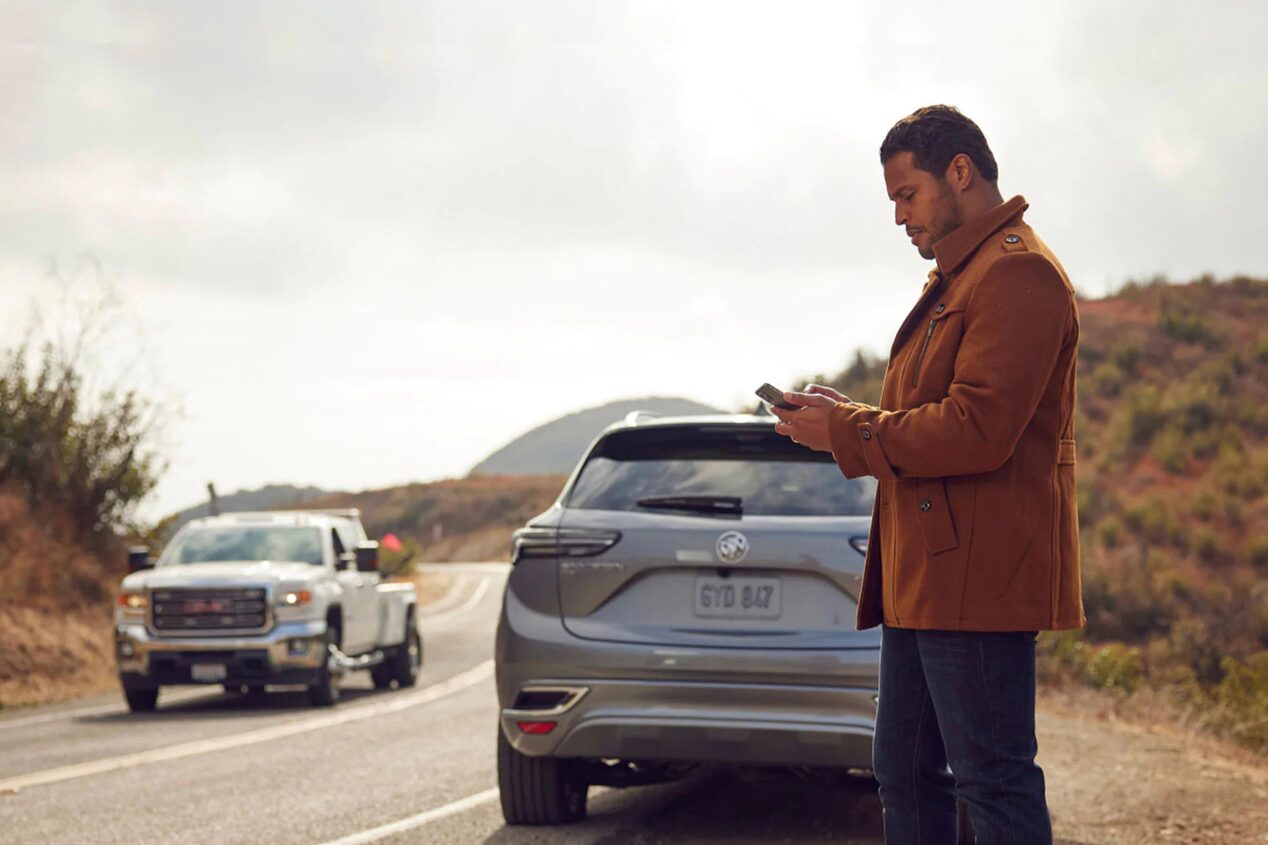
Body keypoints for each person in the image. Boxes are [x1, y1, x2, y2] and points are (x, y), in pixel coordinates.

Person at [769, 104, 1083, 845]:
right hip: (928, 574)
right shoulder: (964, 275)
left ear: (961, 172)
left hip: (977, 580)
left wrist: (846, 429)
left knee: (994, 781)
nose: (901, 216)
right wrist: (847, 412)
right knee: (905, 775)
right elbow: (931, 413)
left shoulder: (1017, 273)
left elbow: (977, 430)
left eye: (908, 195)